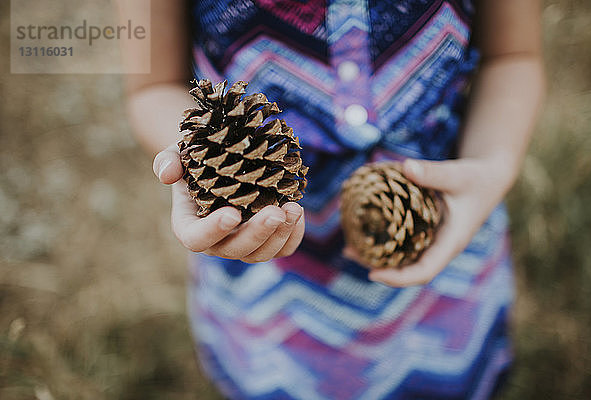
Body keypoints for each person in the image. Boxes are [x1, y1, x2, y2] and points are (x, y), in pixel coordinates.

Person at [121, 0, 545, 398]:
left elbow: (513, 56)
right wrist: (205, 161)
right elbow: (153, 86)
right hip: (273, 275)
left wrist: (491, 166)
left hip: (449, 241)